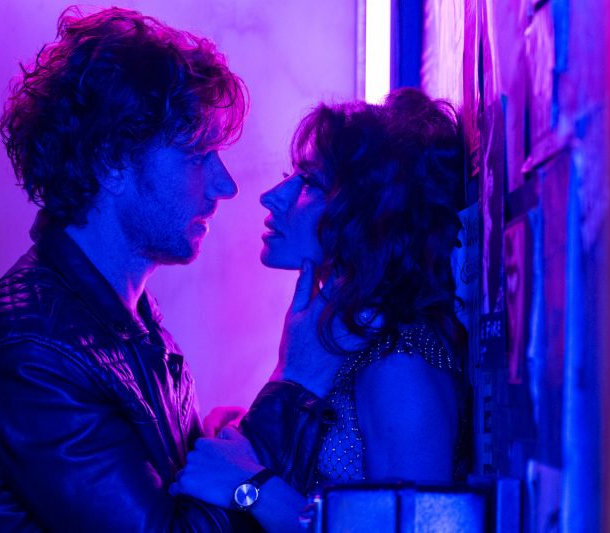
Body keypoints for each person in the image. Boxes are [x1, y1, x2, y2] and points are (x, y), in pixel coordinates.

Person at [0, 7, 328, 531]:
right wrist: (293, 384)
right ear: (112, 161)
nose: (225, 185)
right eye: (198, 155)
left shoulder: (127, 320)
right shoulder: (30, 351)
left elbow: (189, 498)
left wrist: (230, 446)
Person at [171, 88, 471, 531]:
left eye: (309, 183)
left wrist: (250, 485)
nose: (272, 197)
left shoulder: (400, 362)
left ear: (372, 212)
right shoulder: (349, 339)